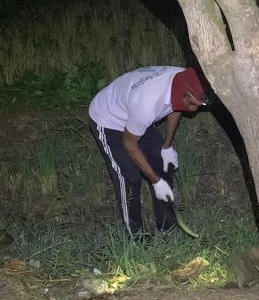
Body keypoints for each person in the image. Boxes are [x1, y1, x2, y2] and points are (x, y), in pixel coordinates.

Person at [89, 66, 209, 236]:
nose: (196, 109)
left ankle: (166, 228)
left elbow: (176, 109)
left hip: (134, 115)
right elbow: (129, 144)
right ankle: (135, 236)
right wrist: (155, 181)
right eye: (194, 104)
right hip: (109, 119)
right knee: (129, 176)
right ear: (184, 95)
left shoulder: (184, 79)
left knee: (162, 163)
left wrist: (166, 146)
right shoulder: (148, 104)